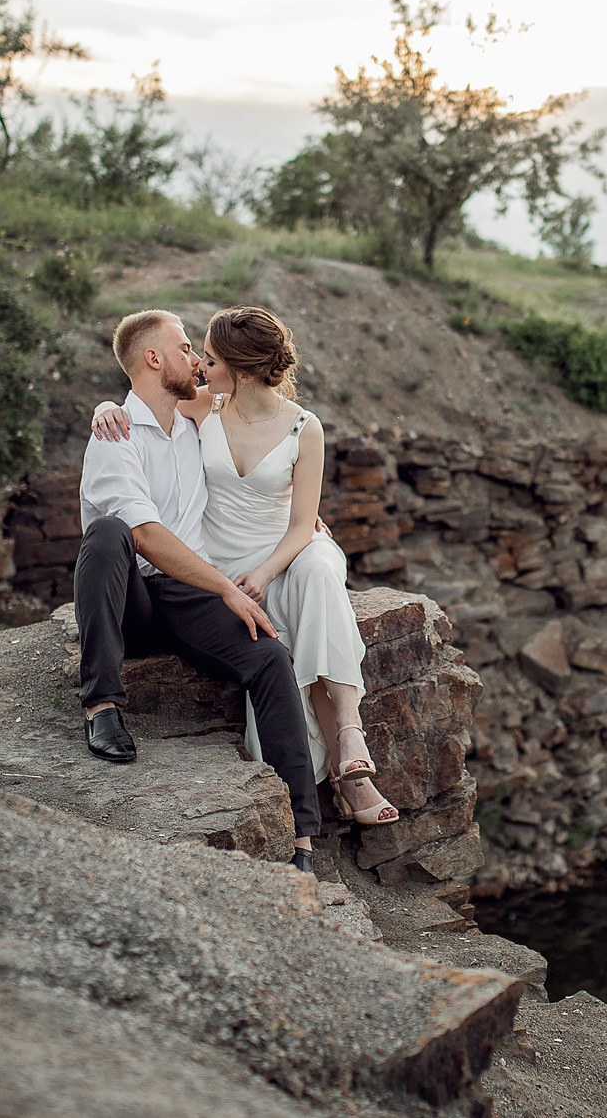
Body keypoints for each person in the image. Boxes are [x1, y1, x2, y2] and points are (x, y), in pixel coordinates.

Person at [91, 304, 399, 828]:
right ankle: (339, 770)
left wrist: (270, 566)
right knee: (286, 630)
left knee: (318, 574)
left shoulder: (304, 427)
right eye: (194, 353)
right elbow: (143, 397)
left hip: (284, 549)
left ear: (243, 370)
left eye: (208, 358)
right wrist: (103, 407)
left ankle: (351, 738)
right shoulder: (202, 407)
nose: (198, 363)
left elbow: (301, 523)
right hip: (222, 560)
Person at [75, 308, 324, 873]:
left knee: (271, 656)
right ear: (153, 359)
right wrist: (228, 591)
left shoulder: (198, 421)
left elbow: (257, 464)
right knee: (109, 532)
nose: (197, 359)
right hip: (133, 601)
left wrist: (306, 516)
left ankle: (302, 838)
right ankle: (102, 706)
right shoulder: (113, 434)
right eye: (186, 348)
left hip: (189, 597)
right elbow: (145, 534)